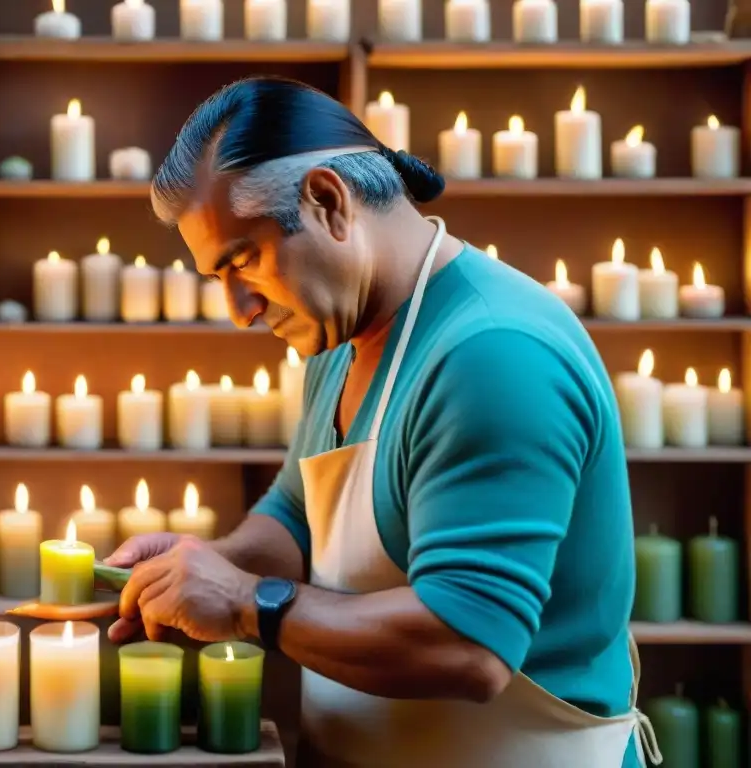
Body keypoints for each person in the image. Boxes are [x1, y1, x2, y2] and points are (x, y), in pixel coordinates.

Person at [104, 77, 661, 768]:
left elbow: (470, 648)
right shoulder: (339, 337)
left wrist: (246, 604)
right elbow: (301, 519)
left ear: (328, 202)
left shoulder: (493, 355)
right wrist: (209, 566)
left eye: (241, 261)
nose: (238, 308)